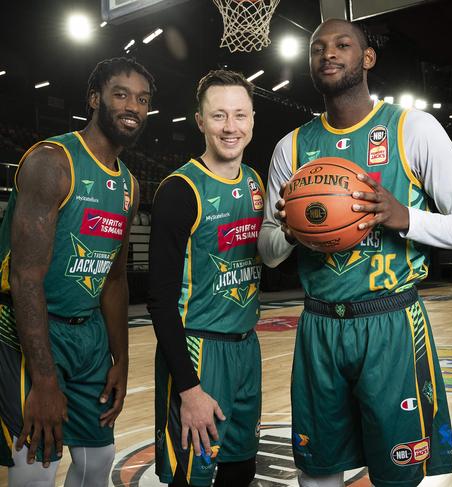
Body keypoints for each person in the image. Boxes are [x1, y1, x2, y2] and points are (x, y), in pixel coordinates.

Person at [259, 18, 452, 487]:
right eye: (318, 48)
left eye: (343, 44)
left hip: (391, 321)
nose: (328, 53)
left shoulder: (413, 128)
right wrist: (290, 227)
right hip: (320, 325)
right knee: (316, 470)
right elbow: (268, 254)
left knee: (398, 473)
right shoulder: (292, 147)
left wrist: (405, 217)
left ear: (367, 59)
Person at [0, 57, 153, 485]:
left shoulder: (129, 184)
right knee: (36, 463)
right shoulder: (53, 161)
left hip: (88, 337)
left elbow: (116, 279)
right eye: (121, 94)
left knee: (98, 461)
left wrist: (120, 360)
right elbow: (24, 278)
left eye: (142, 99)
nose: (133, 107)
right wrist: (45, 380)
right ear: (94, 99)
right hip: (29, 330)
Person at [148, 70, 263, 487]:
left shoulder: (255, 182)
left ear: (252, 119)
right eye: (218, 116)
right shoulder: (180, 190)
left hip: (246, 349)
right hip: (198, 350)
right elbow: (159, 301)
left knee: (240, 469)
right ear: (200, 121)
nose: (230, 127)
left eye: (239, 115)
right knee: (191, 478)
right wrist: (190, 388)